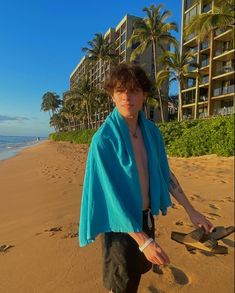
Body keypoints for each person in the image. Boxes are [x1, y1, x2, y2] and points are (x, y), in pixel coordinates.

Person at [78, 63, 213, 293]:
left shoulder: (151, 132)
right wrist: (144, 241)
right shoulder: (104, 140)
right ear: (112, 96)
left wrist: (191, 210)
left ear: (144, 96)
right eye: (120, 91)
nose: (126, 96)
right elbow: (111, 198)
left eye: (133, 90)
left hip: (146, 219)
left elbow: (164, 173)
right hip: (120, 228)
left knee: (137, 277)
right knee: (120, 285)